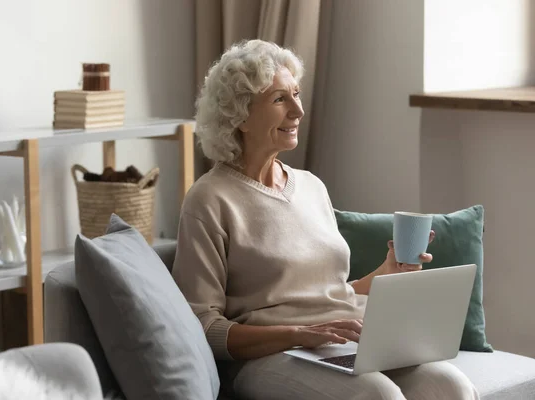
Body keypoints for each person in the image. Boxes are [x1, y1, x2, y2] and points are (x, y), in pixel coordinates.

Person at [171, 39, 479, 400]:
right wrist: (299, 333)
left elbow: (331, 292)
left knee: (450, 387)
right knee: (377, 395)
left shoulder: (311, 187)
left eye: (296, 94)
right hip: (270, 355)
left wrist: (388, 273)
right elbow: (202, 325)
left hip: (340, 342)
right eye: (279, 99)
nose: (298, 110)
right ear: (239, 116)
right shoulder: (209, 199)